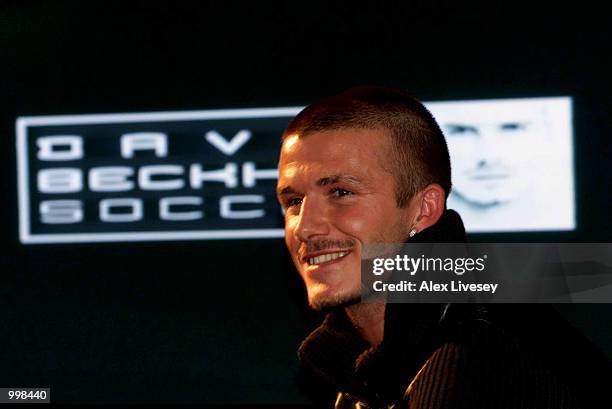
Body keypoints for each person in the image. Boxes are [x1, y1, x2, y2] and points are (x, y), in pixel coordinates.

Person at [276, 86, 611, 408]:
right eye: (294, 201)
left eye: (341, 192)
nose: (305, 227)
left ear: (423, 209)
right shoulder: (371, 361)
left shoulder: (481, 348)